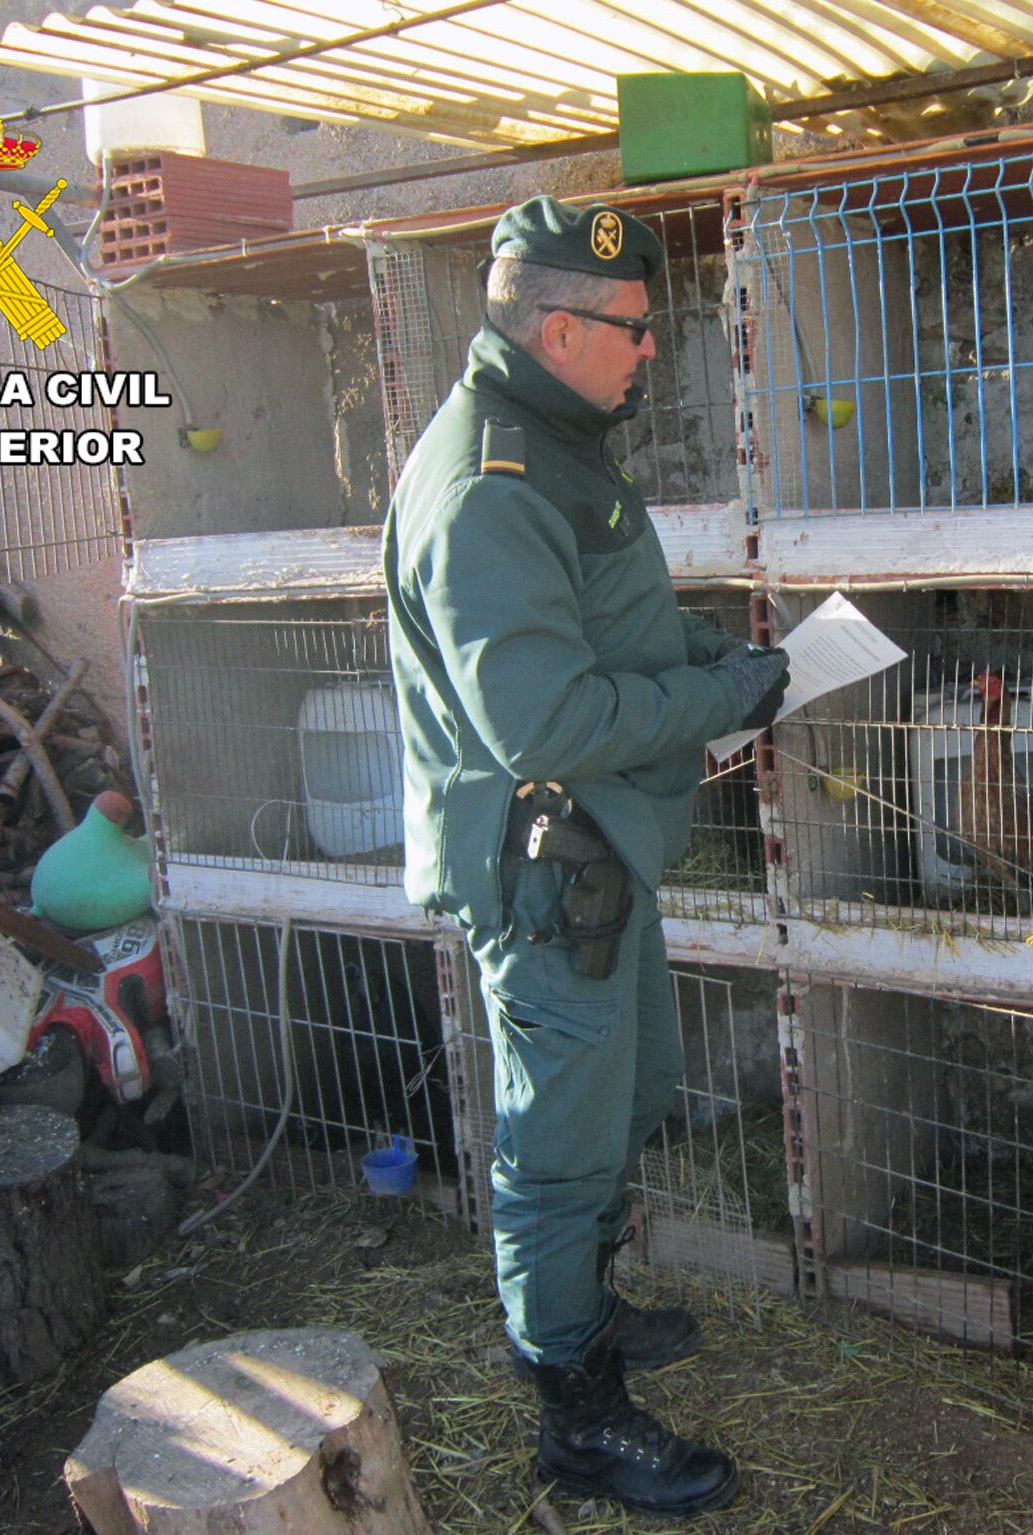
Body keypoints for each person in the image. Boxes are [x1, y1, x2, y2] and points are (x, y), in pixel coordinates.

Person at [382, 195, 788, 1519]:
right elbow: (543, 716)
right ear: (559, 328)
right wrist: (721, 702)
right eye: (631, 328)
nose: (649, 350)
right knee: (554, 1149)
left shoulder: (558, 441)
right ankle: (576, 1414)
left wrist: (709, 659)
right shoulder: (489, 483)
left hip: (600, 849)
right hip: (547, 868)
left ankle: (586, 1313)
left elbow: (601, 627)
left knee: (629, 1091)